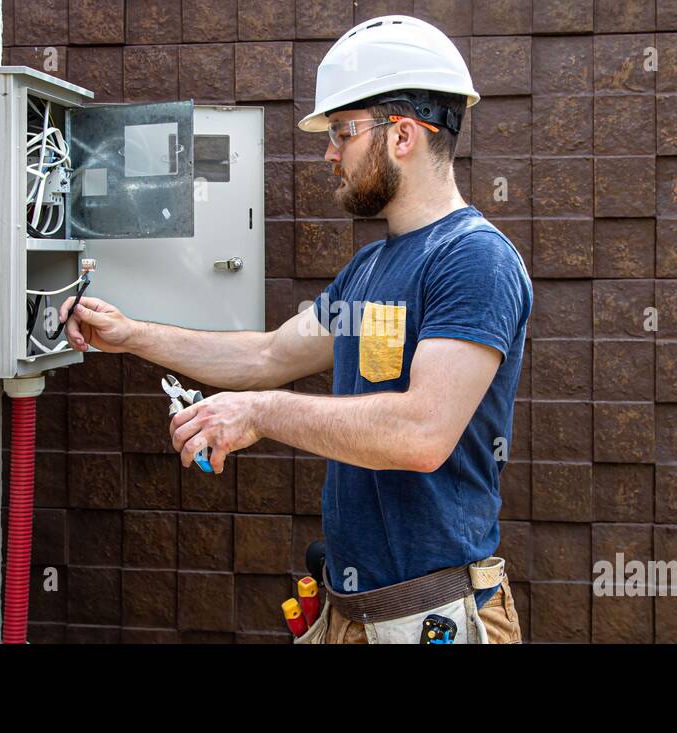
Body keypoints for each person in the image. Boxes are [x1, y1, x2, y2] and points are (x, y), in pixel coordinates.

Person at [62, 15, 532, 644]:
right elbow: (268, 356)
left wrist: (258, 415)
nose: (329, 153)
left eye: (342, 132)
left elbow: (423, 432)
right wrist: (131, 335)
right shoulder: (370, 267)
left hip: (432, 620)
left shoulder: (473, 259)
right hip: (353, 614)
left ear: (403, 135)